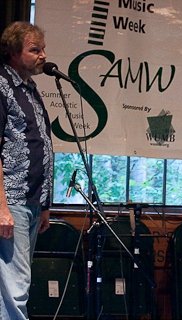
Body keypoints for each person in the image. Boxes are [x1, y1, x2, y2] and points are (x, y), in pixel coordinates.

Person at [0, 21, 53, 319]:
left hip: (31, 201)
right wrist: (2, 207)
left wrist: (44, 205)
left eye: (43, 48)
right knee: (15, 287)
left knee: (12, 286)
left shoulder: (29, 87)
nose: (43, 55)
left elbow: (38, 145)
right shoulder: (1, 85)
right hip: (12, 199)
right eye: (35, 50)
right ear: (13, 52)